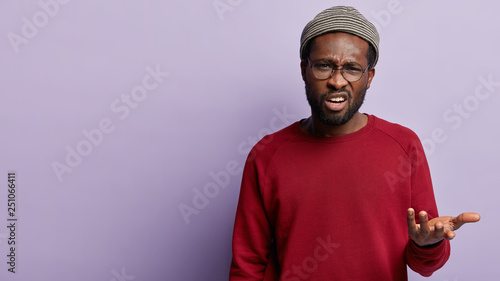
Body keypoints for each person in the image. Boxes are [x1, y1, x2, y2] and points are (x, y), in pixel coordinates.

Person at [229, 6, 480, 281]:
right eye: (324, 66)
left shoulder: (404, 145)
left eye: (352, 69)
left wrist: (428, 244)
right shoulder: (267, 155)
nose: (337, 81)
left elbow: (424, 263)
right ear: (304, 70)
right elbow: (247, 265)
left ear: (369, 77)